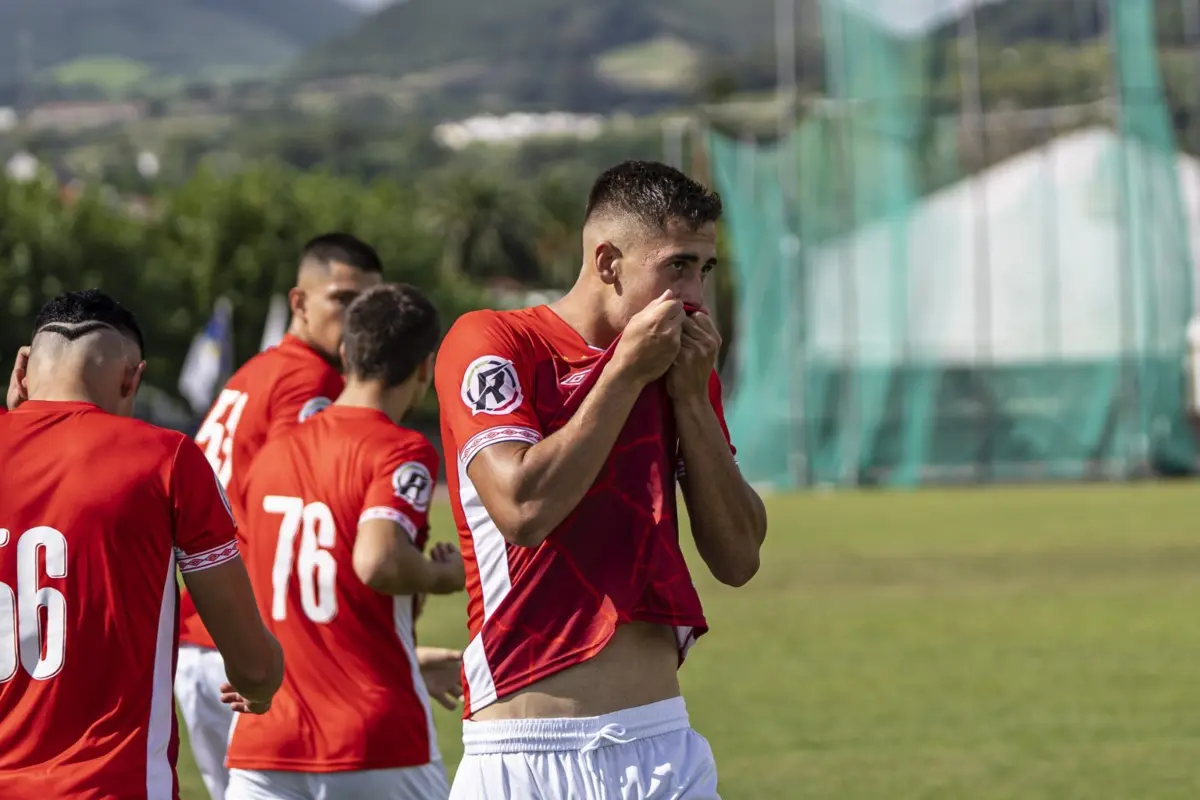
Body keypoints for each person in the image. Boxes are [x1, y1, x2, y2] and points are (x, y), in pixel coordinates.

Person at [435, 161, 768, 799]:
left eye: (704, 269)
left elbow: (739, 557)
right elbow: (523, 508)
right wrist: (624, 374)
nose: (695, 295)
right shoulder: (496, 342)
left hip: (664, 748)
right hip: (526, 757)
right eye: (676, 267)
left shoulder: (680, 372)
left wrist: (693, 400)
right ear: (608, 261)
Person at [0, 289, 284, 799]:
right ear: (133, 378)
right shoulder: (167, 459)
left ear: (22, 369)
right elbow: (254, 666)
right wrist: (262, 685)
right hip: (112, 786)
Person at [225, 284, 466, 800]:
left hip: (264, 741)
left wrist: (411, 657)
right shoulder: (401, 449)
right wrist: (443, 576)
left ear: (345, 352)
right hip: (371, 738)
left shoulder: (273, 452)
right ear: (425, 368)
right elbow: (377, 560)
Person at [175, 233, 383, 799]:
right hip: (245, 648)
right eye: (342, 300)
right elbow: (301, 508)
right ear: (300, 303)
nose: (358, 317)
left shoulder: (256, 372)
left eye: (370, 303)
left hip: (205, 637)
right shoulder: (306, 381)